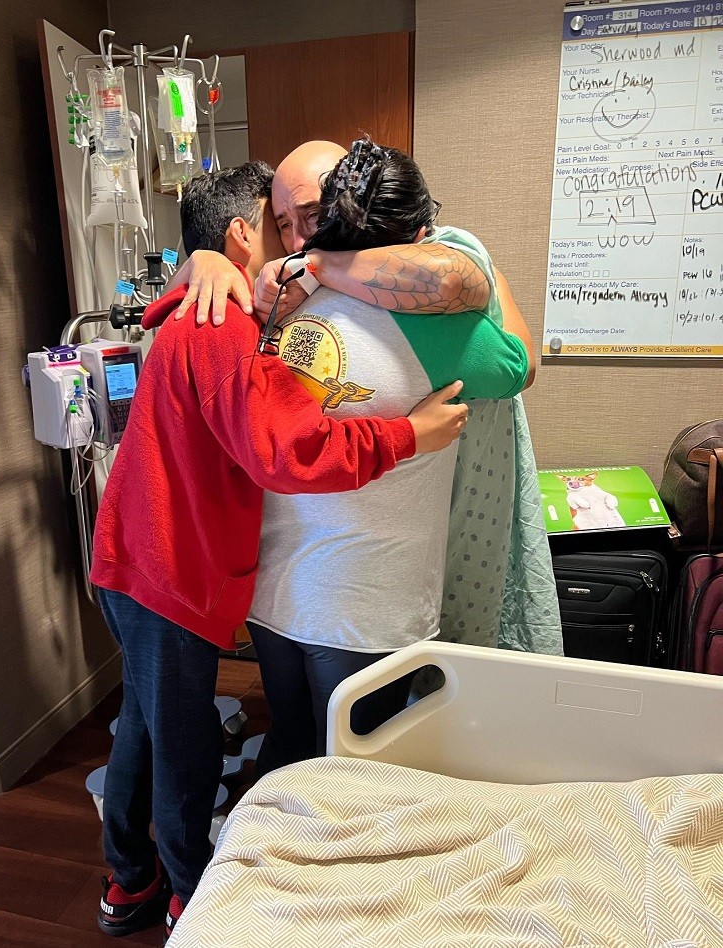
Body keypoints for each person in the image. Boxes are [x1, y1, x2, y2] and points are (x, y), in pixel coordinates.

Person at [89, 162, 469, 941]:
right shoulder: (221, 320)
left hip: (132, 561)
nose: (295, 242)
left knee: (142, 724)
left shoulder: (202, 304)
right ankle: (194, 901)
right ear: (239, 236)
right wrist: (409, 434)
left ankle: (127, 880)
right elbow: (285, 454)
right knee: (183, 748)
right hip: (170, 577)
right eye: (280, 224)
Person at [171, 139, 562, 664]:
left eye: (309, 214)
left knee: (295, 738)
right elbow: (519, 364)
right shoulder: (283, 301)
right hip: (361, 605)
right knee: (356, 744)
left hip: (275, 592)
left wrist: (213, 263)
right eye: (282, 223)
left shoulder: (276, 302)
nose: (297, 236)